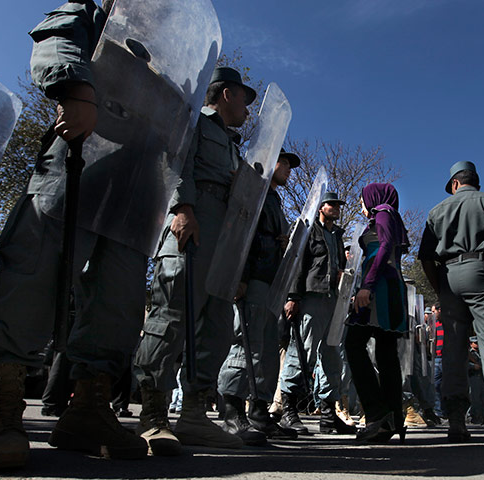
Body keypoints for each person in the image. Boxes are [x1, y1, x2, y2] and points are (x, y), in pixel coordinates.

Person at [0, 1, 154, 468]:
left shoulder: (167, 52)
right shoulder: (97, 12)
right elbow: (57, 39)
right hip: (81, 158)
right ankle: (1, 399)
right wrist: (75, 88)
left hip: (137, 188)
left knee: (118, 298)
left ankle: (89, 407)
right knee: (36, 271)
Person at [133, 66, 256, 455]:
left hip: (223, 232)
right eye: (243, 99)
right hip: (195, 219)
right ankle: (153, 416)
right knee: (171, 315)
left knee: (216, 326)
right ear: (225, 95)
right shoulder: (194, 120)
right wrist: (182, 206)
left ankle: (194, 414)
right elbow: (175, 159)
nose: (248, 109)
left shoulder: (232, 142)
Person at [419, 161, 484, 449]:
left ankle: (455, 421)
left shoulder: (436, 211)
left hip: (448, 278)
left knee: (454, 348)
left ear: (454, 184)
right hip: (481, 271)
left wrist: (440, 288)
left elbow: (426, 256)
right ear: (473, 181)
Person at [217, 149, 300, 445]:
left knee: (264, 348)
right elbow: (244, 232)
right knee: (246, 340)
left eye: (290, 165)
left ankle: (259, 412)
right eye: (285, 163)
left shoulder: (275, 199)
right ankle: (231, 409)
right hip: (252, 277)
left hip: (269, 277)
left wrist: (281, 241)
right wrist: (240, 275)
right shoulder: (255, 191)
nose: (288, 169)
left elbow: (266, 233)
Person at [278, 192, 354, 435]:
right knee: (302, 351)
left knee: (331, 356)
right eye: (332, 204)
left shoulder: (338, 236)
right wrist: (292, 297)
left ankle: (329, 414)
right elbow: (297, 264)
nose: (336, 208)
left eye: (338, 205)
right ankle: (288, 410)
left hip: (333, 299)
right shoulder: (310, 230)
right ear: (321, 207)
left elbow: (338, 265)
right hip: (311, 297)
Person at [344, 183, 409, 443]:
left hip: (379, 289)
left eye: (361, 200)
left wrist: (366, 287)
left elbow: (383, 247)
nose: (361, 205)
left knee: (353, 343)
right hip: (389, 286)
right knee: (386, 354)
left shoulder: (382, 212)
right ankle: (392, 419)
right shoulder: (390, 215)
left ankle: (376, 413)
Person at [467, 336, 484, 424]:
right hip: (473, 377)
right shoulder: (469, 353)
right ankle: (472, 416)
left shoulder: (482, 352)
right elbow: (464, 364)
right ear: (471, 344)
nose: (477, 344)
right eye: (475, 343)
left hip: (483, 377)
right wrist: (473, 366)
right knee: (474, 398)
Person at [432, 303, 445, 418]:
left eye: (433, 312)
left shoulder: (449, 324)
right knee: (436, 386)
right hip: (436, 358)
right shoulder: (433, 325)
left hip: (448, 359)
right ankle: (438, 412)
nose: (432, 314)